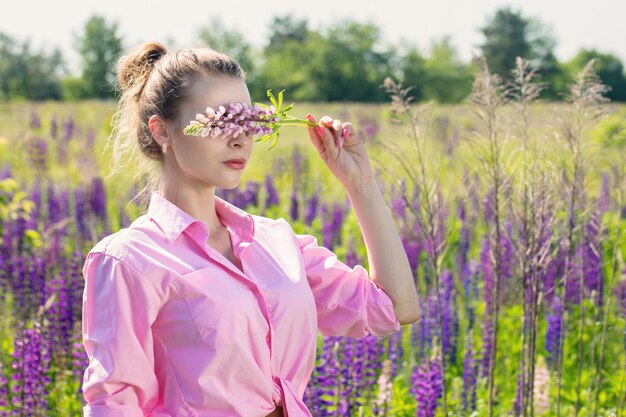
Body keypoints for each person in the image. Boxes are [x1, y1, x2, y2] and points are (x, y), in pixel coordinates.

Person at [80, 41, 421, 417]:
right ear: (162, 131)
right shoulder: (130, 259)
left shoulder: (277, 242)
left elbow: (395, 308)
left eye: (246, 122)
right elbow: (114, 403)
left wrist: (361, 183)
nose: (240, 138)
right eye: (220, 120)